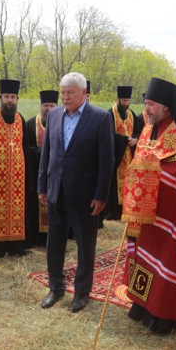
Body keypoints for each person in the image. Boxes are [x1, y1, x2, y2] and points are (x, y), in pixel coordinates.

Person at [121, 77, 176, 333]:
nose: (146, 109)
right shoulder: (149, 129)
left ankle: (165, 316)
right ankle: (142, 305)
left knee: (166, 261)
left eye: (151, 104)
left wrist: (146, 180)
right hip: (146, 213)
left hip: (172, 216)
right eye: (145, 104)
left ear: (167, 107)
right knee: (145, 256)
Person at [38, 72, 114, 313]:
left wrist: (101, 195)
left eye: (70, 92)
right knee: (54, 243)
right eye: (63, 92)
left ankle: (81, 293)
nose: (65, 97)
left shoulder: (101, 118)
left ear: (83, 93)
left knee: (85, 246)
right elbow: (46, 154)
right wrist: (42, 186)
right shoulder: (54, 115)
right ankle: (56, 288)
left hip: (85, 195)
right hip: (56, 191)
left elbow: (107, 161)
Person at [0, 79, 36, 257]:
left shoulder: (20, 119)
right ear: (0, 98)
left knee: (18, 209)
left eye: (13, 97)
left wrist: (28, 178)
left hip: (17, 179)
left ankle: (16, 247)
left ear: (17, 99)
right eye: (6, 97)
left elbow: (25, 150)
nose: (10, 100)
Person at [104, 85, 143, 222]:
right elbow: (108, 135)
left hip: (129, 157)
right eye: (124, 100)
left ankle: (127, 209)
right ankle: (113, 212)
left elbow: (139, 132)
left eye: (128, 100)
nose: (126, 103)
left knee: (129, 183)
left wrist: (135, 140)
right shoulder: (109, 114)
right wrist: (125, 140)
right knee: (114, 184)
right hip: (116, 156)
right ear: (118, 99)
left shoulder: (132, 114)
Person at [26, 90, 60, 247]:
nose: (48, 109)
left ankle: (57, 236)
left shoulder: (63, 122)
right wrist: (42, 154)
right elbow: (27, 149)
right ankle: (38, 238)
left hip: (57, 174)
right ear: (41, 106)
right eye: (45, 105)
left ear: (57, 106)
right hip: (37, 173)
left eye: (52, 105)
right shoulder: (30, 124)